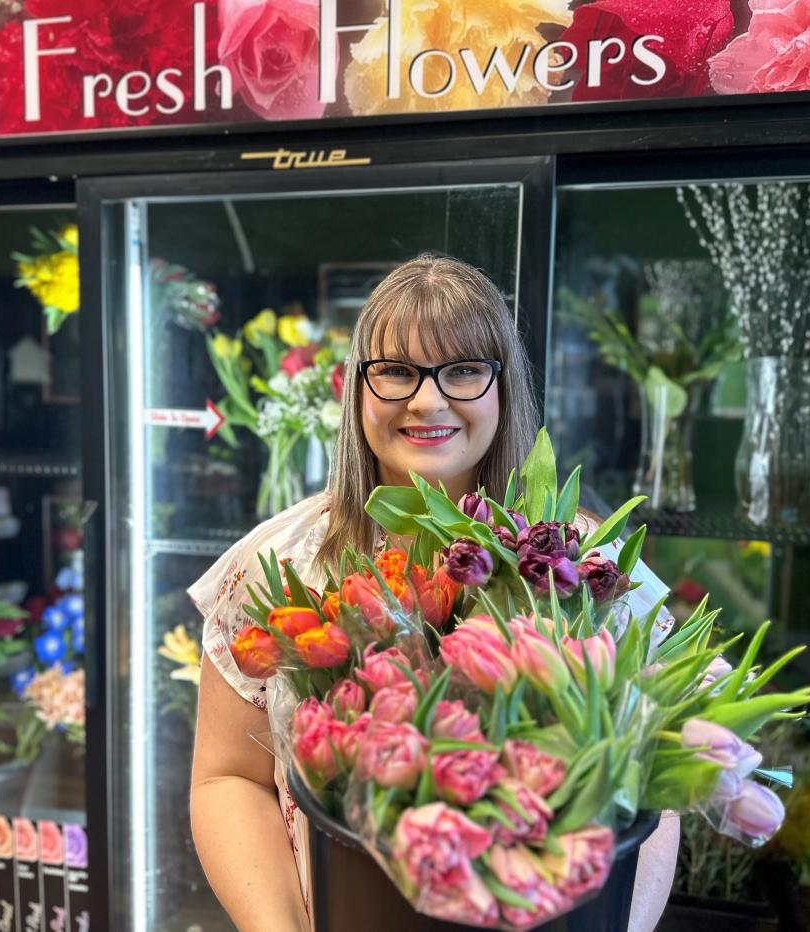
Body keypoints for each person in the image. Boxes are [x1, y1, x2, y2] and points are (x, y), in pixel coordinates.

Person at [189, 255, 680, 932]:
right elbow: (229, 779)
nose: (428, 400)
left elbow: (653, 789)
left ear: (503, 385)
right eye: (395, 371)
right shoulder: (282, 563)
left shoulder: (586, 567)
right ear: (357, 388)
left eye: (464, 370)